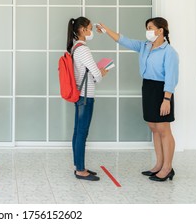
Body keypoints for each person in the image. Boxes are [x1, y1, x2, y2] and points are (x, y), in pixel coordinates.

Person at [96, 17, 179, 182]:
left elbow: (171, 77)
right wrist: (106, 30)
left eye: (150, 27)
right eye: (146, 27)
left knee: (164, 129)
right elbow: (123, 40)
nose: (147, 31)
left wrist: (166, 99)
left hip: (161, 90)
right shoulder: (144, 46)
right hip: (147, 87)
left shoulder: (169, 52)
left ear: (161, 30)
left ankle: (168, 168)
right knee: (154, 127)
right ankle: (159, 164)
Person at [67, 17, 108, 181]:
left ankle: (79, 166)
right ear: (83, 30)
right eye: (90, 28)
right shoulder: (83, 49)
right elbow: (96, 74)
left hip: (80, 94)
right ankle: (80, 170)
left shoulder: (75, 48)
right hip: (86, 95)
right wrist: (102, 73)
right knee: (82, 133)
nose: (91, 32)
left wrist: (96, 72)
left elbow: (85, 70)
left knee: (78, 132)